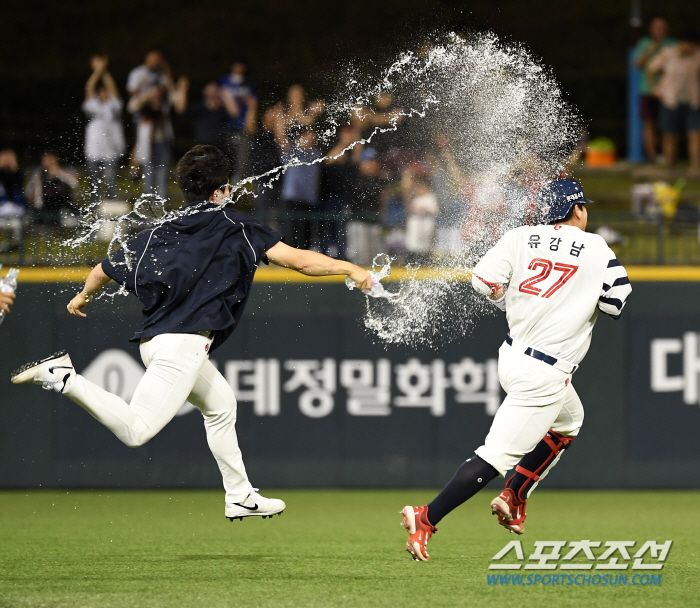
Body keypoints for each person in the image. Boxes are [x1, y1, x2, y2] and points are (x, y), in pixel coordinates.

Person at [11, 144, 372, 522]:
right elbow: (300, 261)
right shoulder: (238, 226)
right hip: (181, 348)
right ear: (218, 193)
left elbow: (102, 270)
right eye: (227, 186)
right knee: (137, 430)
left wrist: (82, 295)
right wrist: (349, 267)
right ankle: (63, 378)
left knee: (220, 406)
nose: (231, 191)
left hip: (160, 343)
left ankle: (240, 496)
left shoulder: (159, 231)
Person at [400, 178, 632, 561]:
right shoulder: (595, 246)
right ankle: (427, 516)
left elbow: (483, 281)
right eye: (583, 207)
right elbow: (616, 303)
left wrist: (508, 297)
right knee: (494, 457)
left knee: (569, 422)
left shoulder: (520, 236)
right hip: (545, 373)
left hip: (513, 356)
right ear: (578, 210)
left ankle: (514, 495)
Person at [126, 50, 188, 198]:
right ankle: (148, 199)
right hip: (147, 133)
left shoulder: (162, 84)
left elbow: (175, 100)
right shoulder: (139, 77)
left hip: (162, 135)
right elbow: (132, 104)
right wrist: (146, 97)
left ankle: (162, 200)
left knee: (163, 168)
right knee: (148, 167)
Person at [648, 31, 700, 172]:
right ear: (683, 43)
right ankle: (669, 166)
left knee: (695, 133)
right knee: (670, 134)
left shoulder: (697, 55)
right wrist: (655, 89)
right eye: (691, 45)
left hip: (693, 100)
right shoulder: (668, 53)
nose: (692, 49)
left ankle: (695, 168)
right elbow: (651, 69)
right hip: (671, 100)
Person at [83, 55, 126, 205]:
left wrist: (103, 70)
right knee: (94, 181)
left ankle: (110, 207)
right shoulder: (93, 104)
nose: (104, 92)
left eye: (105, 90)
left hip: (110, 148)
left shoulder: (113, 105)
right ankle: (95, 210)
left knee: (110, 180)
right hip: (94, 148)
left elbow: (113, 89)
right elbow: (89, 87)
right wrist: (98, 71)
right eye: (101, 90)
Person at [633, 16, 676, 162]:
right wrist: (649, 50)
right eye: (656, 27)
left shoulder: (672, 44)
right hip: (647, 90)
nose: (659, 30)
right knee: (649, 123)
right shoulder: (644, 43)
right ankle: (652, 157)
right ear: (651, 29)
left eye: (662, 27)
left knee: (668, 124)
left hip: (668, 91)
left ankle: (668, 156)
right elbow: (637, 64)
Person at [219, 59, 258, 180]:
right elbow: (229, 108)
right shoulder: (225, 81)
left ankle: (239, 181)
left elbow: (253, 103)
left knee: (243, 157)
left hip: (244, 125)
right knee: (227, 156)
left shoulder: (249, 83)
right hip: (227, 125)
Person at [26, 152, 79, 227]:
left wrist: (60, 173)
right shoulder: (39, 173)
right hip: (45, 207)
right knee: (37, 216)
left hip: (64, 206)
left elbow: (75, 184)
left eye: (51, 159)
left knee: (70, 219)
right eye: (46, 160)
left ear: (56, 159)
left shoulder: (65, 169)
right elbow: (31, 198)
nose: (49, 162)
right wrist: (38, 185)